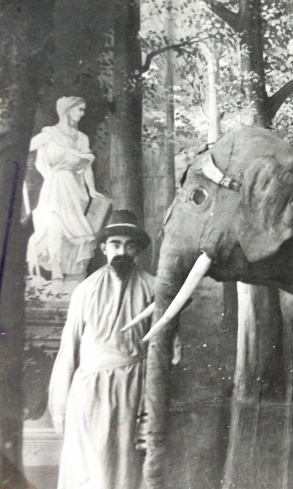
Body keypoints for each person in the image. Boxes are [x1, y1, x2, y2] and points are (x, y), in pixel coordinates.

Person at [48, 210, 153, 489]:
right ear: (104, 248)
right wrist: (59, 406)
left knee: (125, 465)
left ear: (137, 250)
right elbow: (69, 348)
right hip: (89, 390)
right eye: (116, 244)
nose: (122, 251)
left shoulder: (152, 287)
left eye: (129, 245)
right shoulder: (85, 290)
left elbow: (161, 348)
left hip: (132, 387)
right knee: (91, 467)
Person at [27, 96, 104, 289]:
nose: (83, 113)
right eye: (80, 109)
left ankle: (72, 273)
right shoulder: (50, 134)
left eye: (84, 109)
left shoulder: (81, 138)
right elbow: (24, 147)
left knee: (72, 230)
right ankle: (56, 273)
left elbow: (86, 166)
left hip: (74, 190)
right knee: (53, 223)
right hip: (54, 185)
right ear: (67, 109)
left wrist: (92, 189)